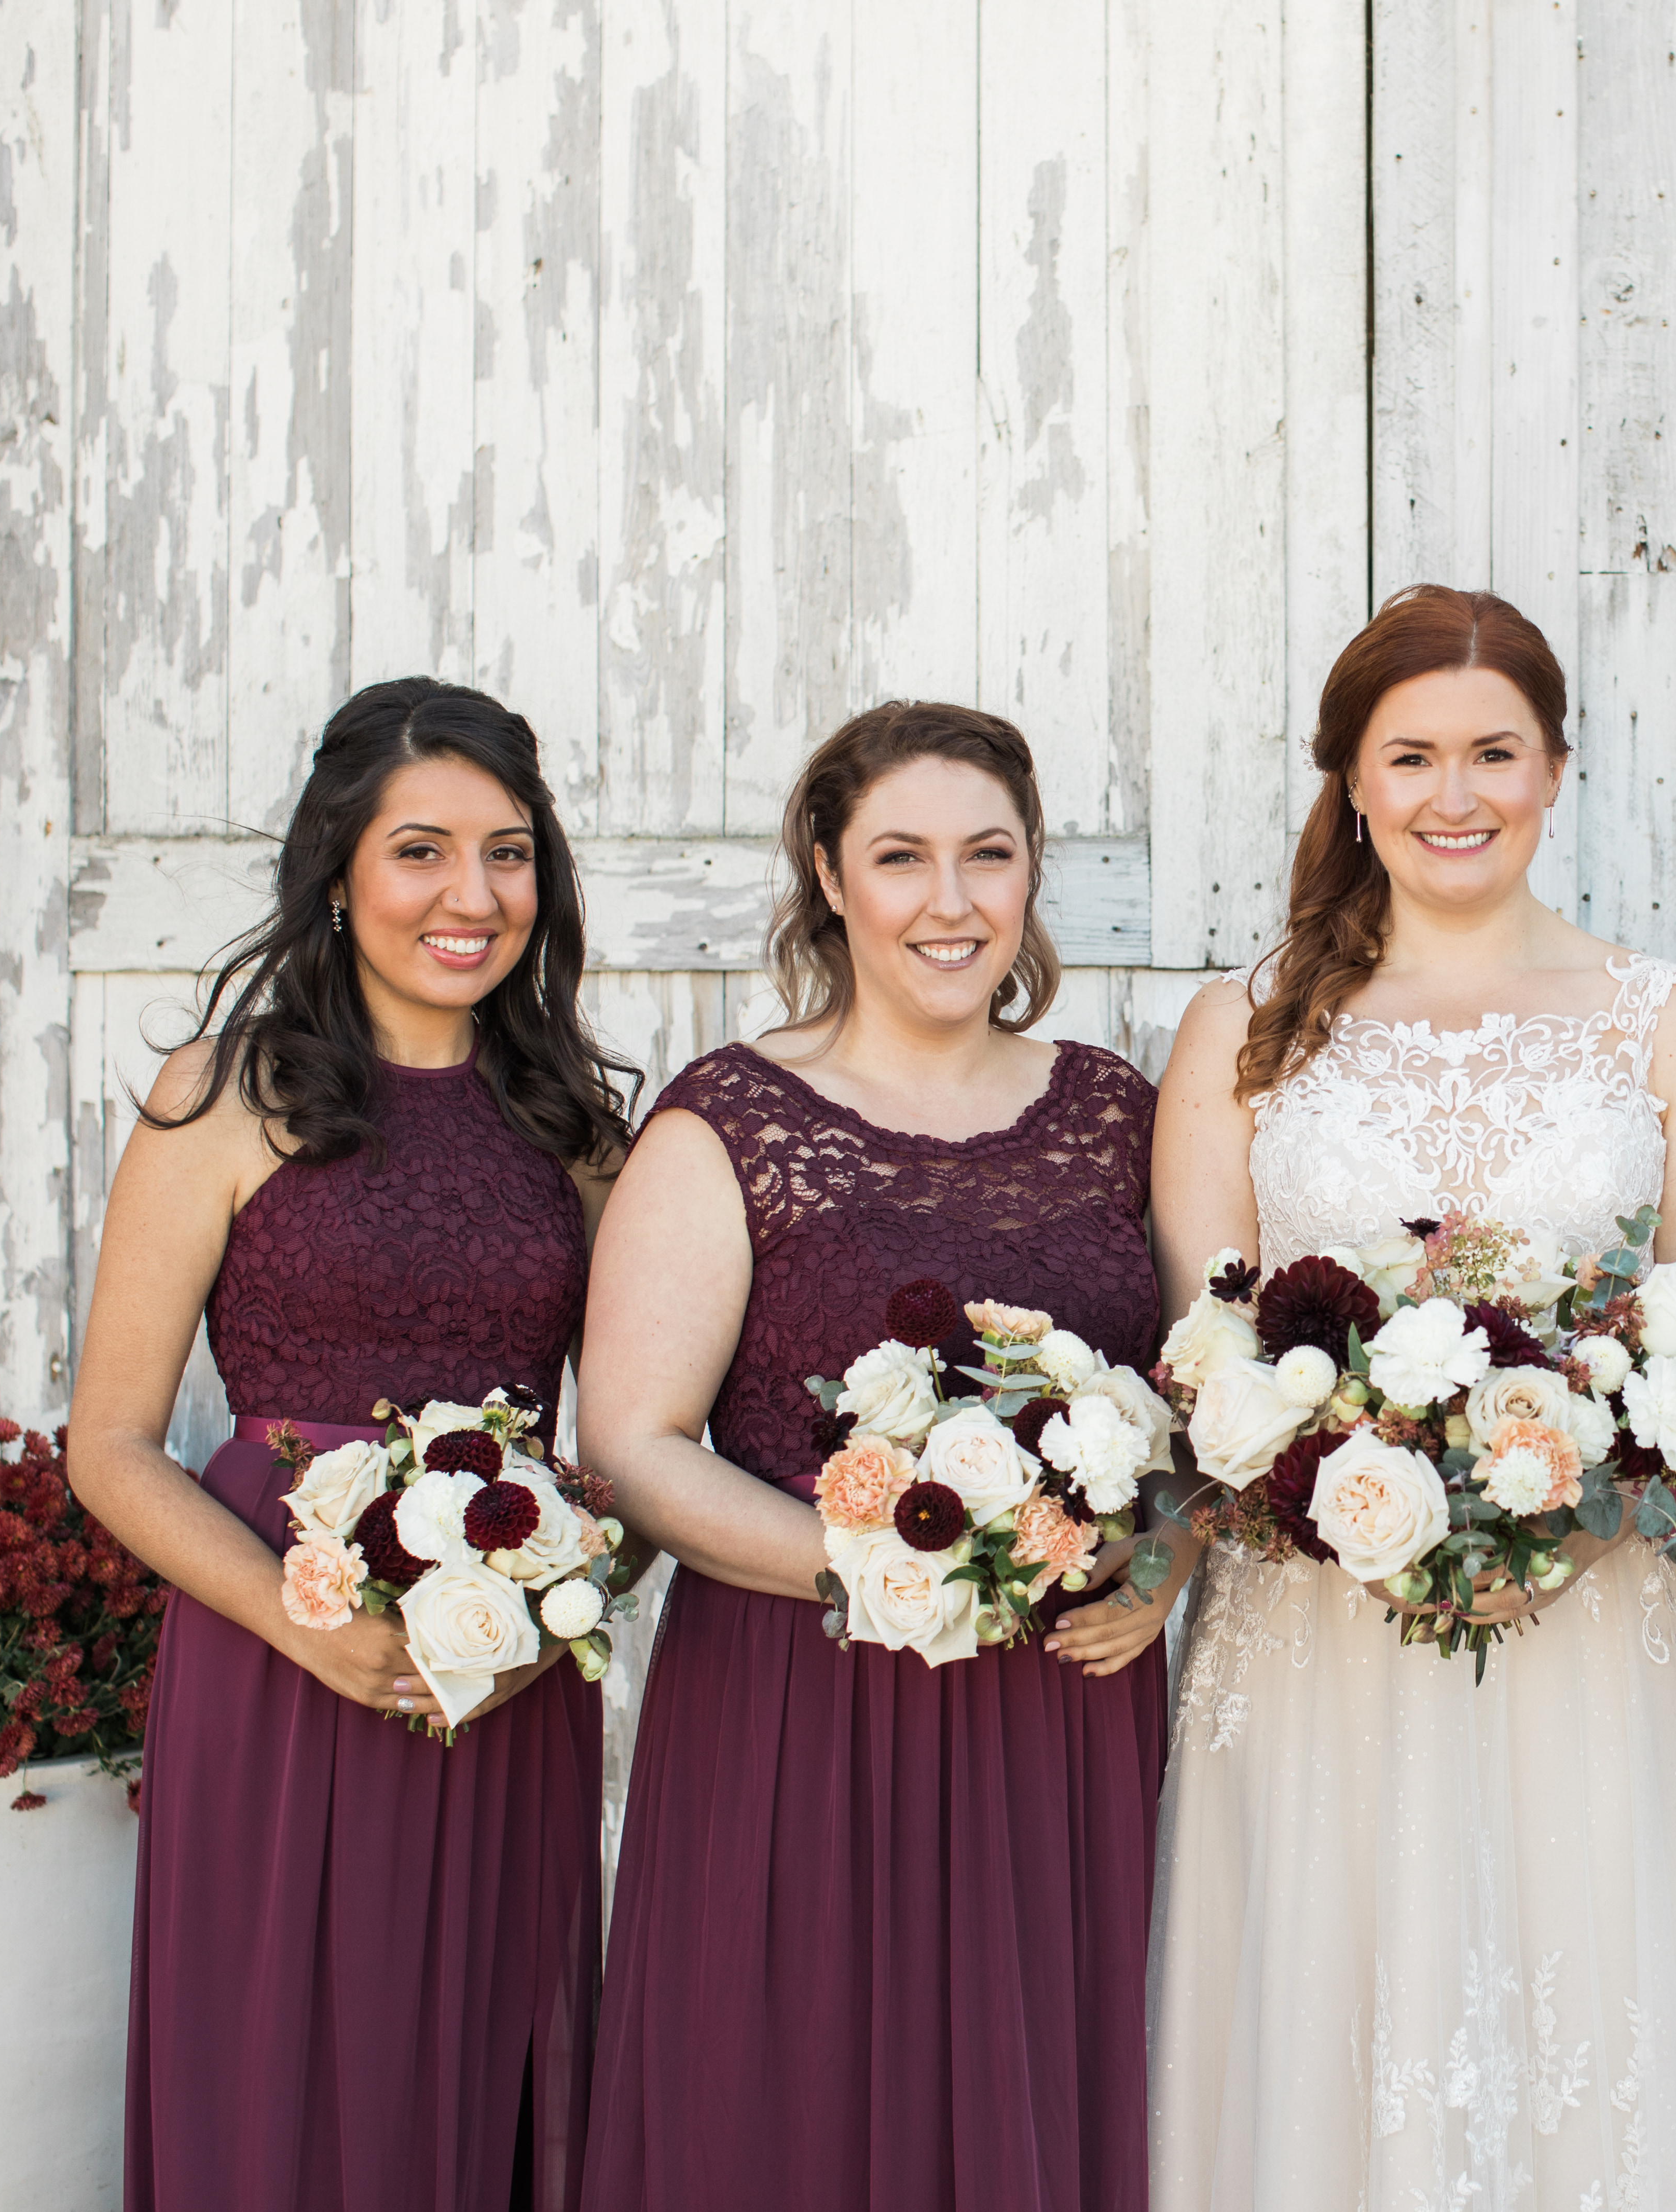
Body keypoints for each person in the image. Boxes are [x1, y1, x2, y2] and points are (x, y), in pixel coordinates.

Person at [1145, 584, 1676, 2208]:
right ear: (1350, 782)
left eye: (1492, 752)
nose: (1454, 795)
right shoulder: (1242, 1024)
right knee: (1330, 2016)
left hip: (1598, 1616)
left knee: (1600, 2015)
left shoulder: (1667, 1017)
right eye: (1411, 756)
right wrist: (1344, 1507)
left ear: (1557, 770)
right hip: (1317, 1631)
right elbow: (1205, 1353)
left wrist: (1565, 1515)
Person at [578, 702, 1173, 2210]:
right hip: (801, 1701)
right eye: (901, 857)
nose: (950, 900)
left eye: (989, 854)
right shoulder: (731, 1122)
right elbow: (636, 1443)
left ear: (1033, 874)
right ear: (831, 878)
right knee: (789, 2112)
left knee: (1038, 2103)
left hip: (1060, 1711)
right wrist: (901, 1568)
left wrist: (1163, 1557)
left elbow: (1202, 1406)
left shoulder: (1114, 1114)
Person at [68, 678, 641, 2211]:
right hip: (273, 1649)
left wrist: (563, 1608)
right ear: (338, 870)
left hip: (504, 1669)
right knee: (275, 2069)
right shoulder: (226, 1094)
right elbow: (111, 1445)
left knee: (474, 2065)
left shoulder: (577, 1130)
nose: (473, 897)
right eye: (423, 851)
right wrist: (303, 1626)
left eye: (510, 854)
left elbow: (643, 1448)